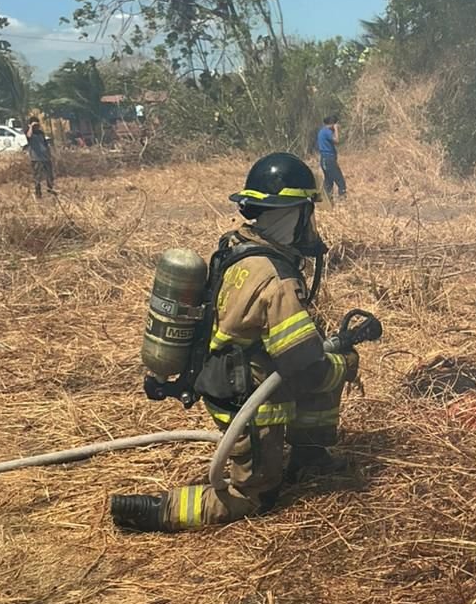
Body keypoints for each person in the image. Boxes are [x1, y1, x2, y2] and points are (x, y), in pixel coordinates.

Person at [110, 152, 358, 533]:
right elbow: (306, 371)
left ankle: (309, 456)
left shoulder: (240, 247)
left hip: (227, 379)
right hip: (248, 404)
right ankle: (157, 509)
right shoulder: (276, 280)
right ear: (294, 214)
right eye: (307, 212)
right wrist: (346, 366)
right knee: (254, 497)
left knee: (321, 351)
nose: (311, 223)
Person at [316, 115, 347, 200]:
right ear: (333, 124)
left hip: (324, 159)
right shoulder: (327, 132)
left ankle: (326, 200)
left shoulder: (322, 131)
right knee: (340, 180)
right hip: (329, 160)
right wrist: (336, 129)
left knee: (328, 182)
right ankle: (342, 198)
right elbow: (337, 140)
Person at [25, 117, 55, 198]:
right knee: (37, 177)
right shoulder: (29, 132)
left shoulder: (41, 133)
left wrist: (49, 154)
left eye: (37, 124)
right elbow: (29, 136)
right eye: (35, 124)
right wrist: (31, 127)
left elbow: (45, 143)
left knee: (50, 175)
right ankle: (38, 193)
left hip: (45, 157)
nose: (37, 126)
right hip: (36, 158)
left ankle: (50, 189)